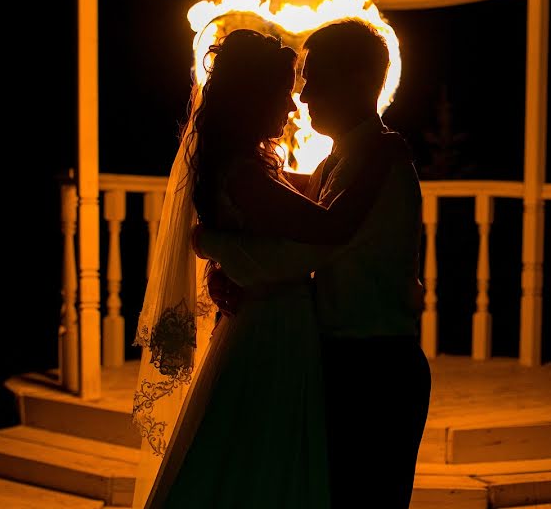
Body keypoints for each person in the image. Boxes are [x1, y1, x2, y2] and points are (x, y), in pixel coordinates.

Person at [131, 27, 402, 509]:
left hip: (279, 325)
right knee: (261, 460)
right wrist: (383, 158)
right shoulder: (244, 174)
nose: (295, 106)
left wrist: (219, 247)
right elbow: (326, 229)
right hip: (271, 331)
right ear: (253, 98)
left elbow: (295, 208)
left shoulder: (246, 168)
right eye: (283, 94)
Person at [194, 17, 432, 509]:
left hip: (375, 369)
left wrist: (215, 246)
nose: (302, 98)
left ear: (359, 82)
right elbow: (297, 215)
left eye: (315, 79)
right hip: (341, 364)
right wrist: (225, 251)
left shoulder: (382, 162)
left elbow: (309, 247)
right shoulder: (343, 161)